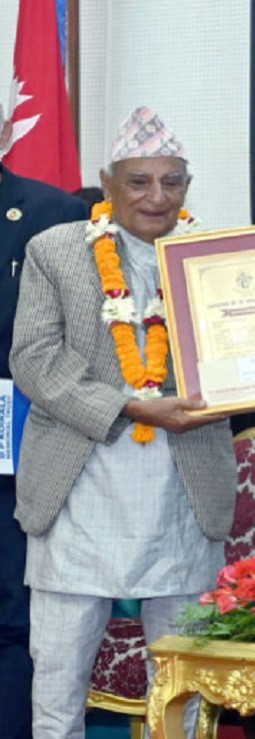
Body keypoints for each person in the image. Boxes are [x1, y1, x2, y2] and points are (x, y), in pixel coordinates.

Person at [9, 106, 255, 738]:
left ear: (188, 187)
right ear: (107, 184)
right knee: (56, 690)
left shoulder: (214, 259)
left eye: (171, 182)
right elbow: (35, 359)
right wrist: (128, 406)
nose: (155, 197)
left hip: (182, 493)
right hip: (77, 491)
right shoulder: (54, 251)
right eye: (138, 181)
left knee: (184, 690)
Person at [0, 103, 87, 739]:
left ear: (6, 130)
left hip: (13, 443)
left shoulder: (53, 213)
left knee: (10, 614)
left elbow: (67, 336)